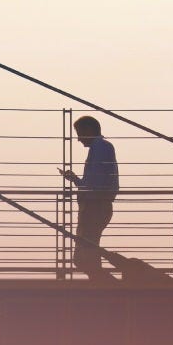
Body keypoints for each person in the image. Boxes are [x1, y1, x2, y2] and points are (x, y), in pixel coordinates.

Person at [60, 115, 119, 281]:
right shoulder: (101, 147)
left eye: (79, 133)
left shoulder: (100, 147)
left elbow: (95, 183)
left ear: (89, 130)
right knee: (86, 255)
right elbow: (95, 181)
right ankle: (104, 286)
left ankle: (108, 288)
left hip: (95, 207)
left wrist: (82, 187)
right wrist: (77, 181)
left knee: (83, 257)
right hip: (95, 205)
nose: (78, 139)